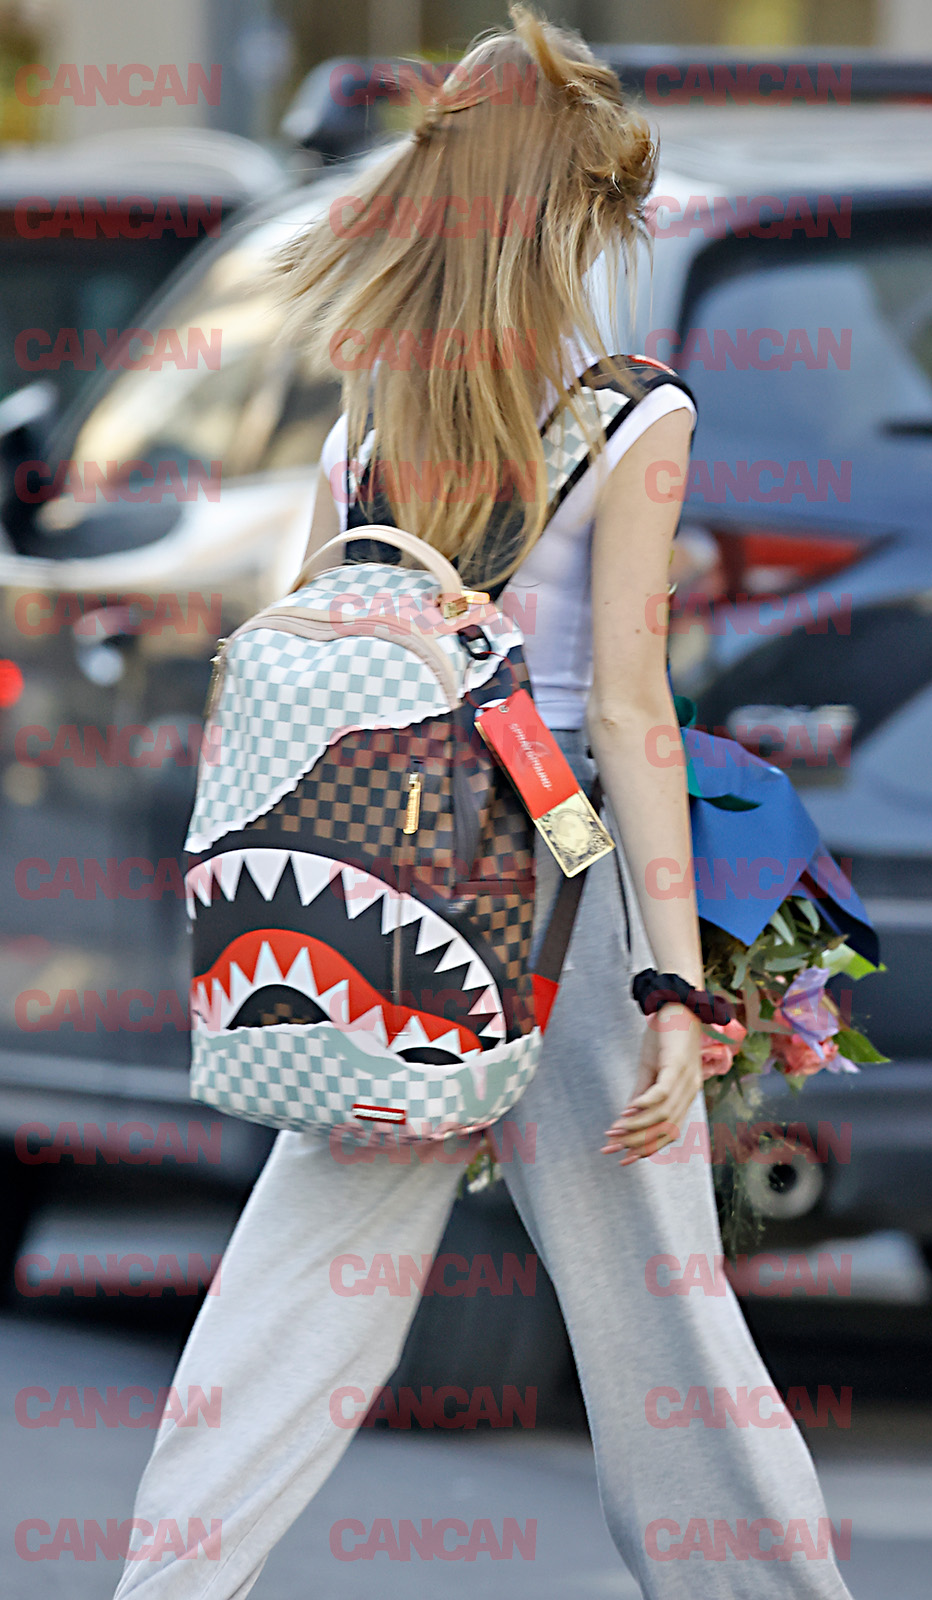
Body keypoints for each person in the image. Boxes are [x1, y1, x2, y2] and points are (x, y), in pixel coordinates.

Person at [111, 9, 853, 1596]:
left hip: (393, 905)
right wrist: (675, 986)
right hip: (565, 885)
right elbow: (634, 710)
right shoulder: (638, 414)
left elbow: (338, 651)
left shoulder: (368, 423)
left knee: (290, 1297)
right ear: (568, 211)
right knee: (665, 1318)